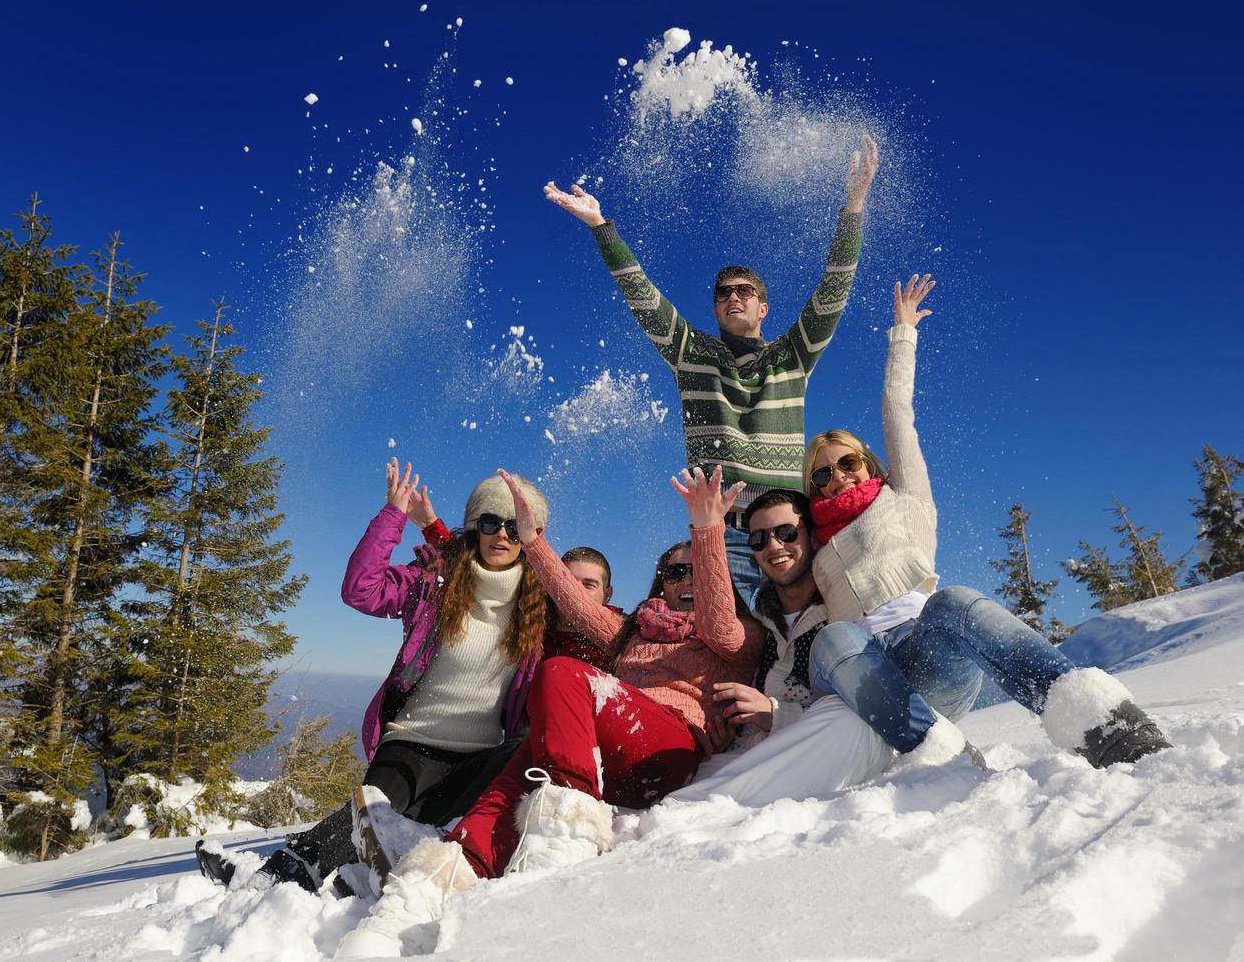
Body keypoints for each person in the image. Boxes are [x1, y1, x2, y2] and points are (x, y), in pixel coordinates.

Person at [335, 470, 764, 959]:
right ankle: (416, 901)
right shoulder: (630, 632)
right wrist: (530, 537)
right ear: (658, 583)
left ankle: (566, 837)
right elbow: (566, 595)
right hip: (593, 756)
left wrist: (707, 529)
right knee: (502, 794)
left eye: (695, 571)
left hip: (666, 748)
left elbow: (717, 619)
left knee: (562, 673)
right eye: (673, 572)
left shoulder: (737, 638)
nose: (685, 580)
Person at [800, 275, 1170, 769]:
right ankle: (945, 757)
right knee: (834, 636)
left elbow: (897, 413)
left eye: (847, 463)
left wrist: (903, 333)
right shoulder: (809, 543)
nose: (838, 477)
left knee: (953, 600)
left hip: (924, 656)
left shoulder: (905, 499)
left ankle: (1103, 724)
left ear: (868, 463)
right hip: (858, 668)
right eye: (823, 472)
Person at [543, 134, 878, 606]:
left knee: (808, 647)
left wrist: (854, 206)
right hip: (723, 537)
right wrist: (601, 226)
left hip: (792, 534)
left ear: (763, 307)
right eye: (723, 293)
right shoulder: (692, 354)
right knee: (734, 650)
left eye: (744, 291)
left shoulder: (793, 355)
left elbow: (834, 289)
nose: (733, 297)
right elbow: (644, 298)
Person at [196, 460, 549, 894]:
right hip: (411, 745)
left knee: (466, 795)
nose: (502, 535)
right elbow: (360, 589)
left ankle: (370, 875)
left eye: (515, 528)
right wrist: (393, 515)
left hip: (480, 757)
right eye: (492, 522)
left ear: (530, 538)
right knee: (375, 812)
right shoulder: (436, 583)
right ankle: (276, 875)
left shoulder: (538, 609)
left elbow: (591, 618)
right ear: (476, 526)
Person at [665, 483, 894, 806]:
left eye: (787, 532)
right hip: (755, 754)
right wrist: (722, 729)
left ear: (813, 536)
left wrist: (775, 714)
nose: (773, 546)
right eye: (759, 539)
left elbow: (870, 702)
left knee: (847, 716)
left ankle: (700, 807)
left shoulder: (845, 610)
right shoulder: (756, 624)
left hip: (833, 744)